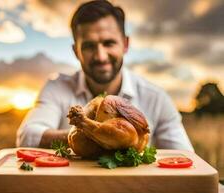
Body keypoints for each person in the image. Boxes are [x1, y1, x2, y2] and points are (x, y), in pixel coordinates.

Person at [16, 0, 194, 151]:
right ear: (76, 51)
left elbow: (185, 158)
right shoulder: (57, 86)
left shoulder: (156, 98)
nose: (100, 56)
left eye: (109, 43)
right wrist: (103, 137)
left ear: (125, 44)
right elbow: (27, 136)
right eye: (89, 46)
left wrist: (95, 133)